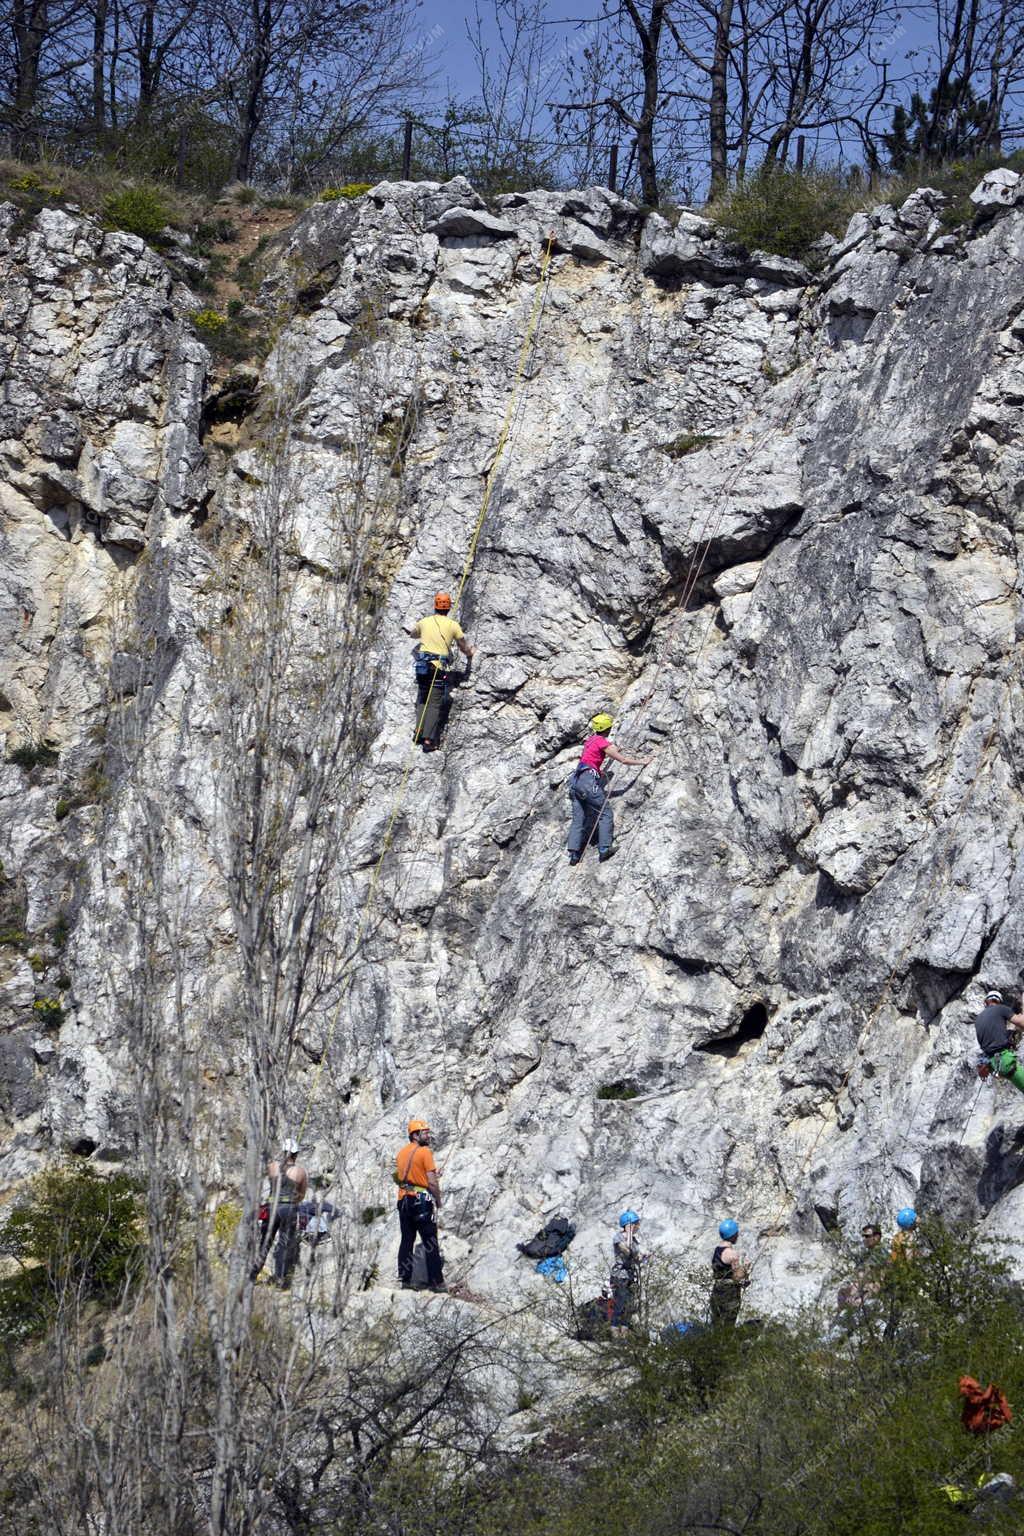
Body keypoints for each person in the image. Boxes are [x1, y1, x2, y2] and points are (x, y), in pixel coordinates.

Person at [567, 714, 651, 865]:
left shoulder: (591, 740)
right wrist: (643, 762)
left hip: (575, 782)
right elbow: (623, 760)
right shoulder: (602, 742)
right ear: (608, 728)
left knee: (578, 819)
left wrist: (614, 750)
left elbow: (606, 751)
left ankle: (574, 854)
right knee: (605, 813)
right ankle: (604, 849)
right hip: (587, 782)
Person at [406, 592, 475, 753]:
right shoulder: (453, 625)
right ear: (449, 607)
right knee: (434, 703)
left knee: (423, 699)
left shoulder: (424, 622)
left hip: (422, 667)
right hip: (437, 668)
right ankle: (428, 740)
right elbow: (462, 645)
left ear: (435, 606)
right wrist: (470, 654)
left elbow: (413, 634)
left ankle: (418, 733)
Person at [395, 1117, 445, 1293]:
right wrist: (438, 1200)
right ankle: (436, 1283)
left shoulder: (401, 1153)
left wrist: (428, 1175)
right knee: (430, 1240)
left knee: (407, 1240)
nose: (428, 1135)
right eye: (425, 1132)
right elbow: (431, 1183)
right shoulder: (425, 1152)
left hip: (403, 1200)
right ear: (415, 1135)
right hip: (421, 1201)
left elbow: (409, 1174)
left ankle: (405, 1278)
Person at [253, 1140, 308, 1289]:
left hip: (271, 1207)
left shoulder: (272, 1167)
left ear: (284, 1152)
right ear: (296, 1154)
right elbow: (302, 1195)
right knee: (283, 1244)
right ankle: (280, 1280)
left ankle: (251, 1276)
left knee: (265, 1243)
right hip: (288, 1209)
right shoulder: (300, 1172)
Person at [974, 989, 1024, 1094]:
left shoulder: (978, 1019)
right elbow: (1021, 1022)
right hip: (1004, 1059)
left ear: (986, 1002)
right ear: (998, 1001)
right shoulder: (1001, 1009)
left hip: (993, 1064)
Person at [709, 1218, 750, 1328]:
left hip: (717, 1290)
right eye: (736, 1233)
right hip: (729, 1293)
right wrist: (745, 1267)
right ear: (733, 1235)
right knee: (728, 1324)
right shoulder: (732, 1254)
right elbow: (737, 1277)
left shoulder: (717, 1249)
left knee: (716, 1323)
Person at [610, 1209, 645, 1327]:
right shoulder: (618, 1237)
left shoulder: (634, 1240)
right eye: (637, 1223)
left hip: (630, 1276)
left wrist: (643, 1257)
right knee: (619, 1305)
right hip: (620, 1276)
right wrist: (629, 1235)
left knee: (628, 1307)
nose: (638, 1226)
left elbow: (636, 1257)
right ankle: (615, 1334)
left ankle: (624, 1338)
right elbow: (627, 1252)